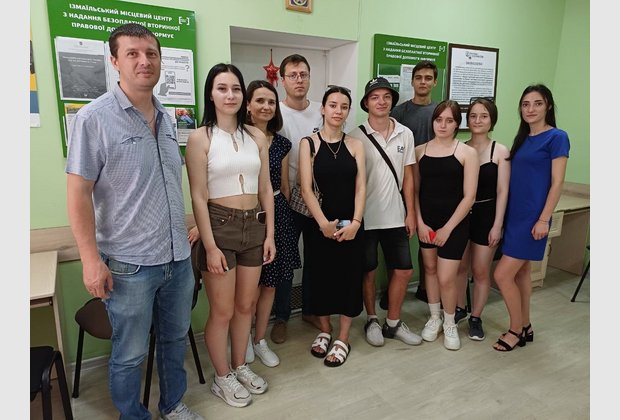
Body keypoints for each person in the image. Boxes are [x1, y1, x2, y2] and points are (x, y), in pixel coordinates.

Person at [65, 23, 203, 420]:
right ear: (114, 61)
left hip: (177, 259)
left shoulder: (168, 118)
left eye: (151, 53)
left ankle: (172, 404)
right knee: (130, 353)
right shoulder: (94, 119)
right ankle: (133, 415)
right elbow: (78, 195)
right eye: (133, 53)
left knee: (174, 340)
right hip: (129, 265)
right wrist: (90, 260)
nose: (145, 61)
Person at [185, 63, 276, 407]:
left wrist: (269, 235)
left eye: (236, 88)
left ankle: (240, 366)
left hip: (254, 225)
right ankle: (221, 377)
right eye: (222, 88)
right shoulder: (200, 138)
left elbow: (265, 189)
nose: (230, 95)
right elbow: (198, 196)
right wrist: (209, 246)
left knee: (245, 306)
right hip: (219, 226)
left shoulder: (256, 136)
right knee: (222, 311)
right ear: (210, 94)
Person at [492, 84, 569, 351]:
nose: (530, 109)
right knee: (521, 273)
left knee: (502, 275)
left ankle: (515, 330)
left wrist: (544, 219)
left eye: (537, 103)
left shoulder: (557, 137)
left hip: (533, 218)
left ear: (548, 106)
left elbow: (557, 183)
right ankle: (525, 324)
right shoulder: (523, 138)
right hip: (515, 215)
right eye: (525, 104)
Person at [348, 77, 421, 347]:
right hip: (365, 217)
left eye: (386, 97)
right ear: (366, 103)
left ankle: (393, 322)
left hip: (396, 215)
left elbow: (409, 177)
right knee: (368, 271)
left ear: (392, 101)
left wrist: (411, 212)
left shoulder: (405, 133)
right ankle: (371, 320)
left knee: (403, 270)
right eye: (375, 97)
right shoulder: (355, 136)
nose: (381, 102)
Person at [300, 86, 366, 367]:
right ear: (323, 108)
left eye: (344, 106)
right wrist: (323, 224)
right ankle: (325, 330)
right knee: (321, 278)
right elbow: (305, 189)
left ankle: (343, 337)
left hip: (351, 225)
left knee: (349, 279)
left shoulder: (356, 145)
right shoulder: (309, 143)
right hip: (320, 225)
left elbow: (361, 187)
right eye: (333, 105)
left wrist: (357, 223)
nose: (338, 111)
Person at [244, 80, 301, 367]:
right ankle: (243, 338)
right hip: (246, 213)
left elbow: (285, 186)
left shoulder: (282, 143)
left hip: (278, 213)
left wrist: (286, 217)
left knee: (270, 284)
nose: (266, 107)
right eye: (260, 101)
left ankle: (259, 339)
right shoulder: (237, 138)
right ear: (248, 105)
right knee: (249, 287)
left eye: (271, 102)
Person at [414, 100, 479, 351]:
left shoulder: (466, 153)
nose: (443, 125)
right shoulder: (420, 151)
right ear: (433, 122)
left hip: (454, 224)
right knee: (429, 270)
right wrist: (420, 222)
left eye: (449, 120)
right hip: (426, 222)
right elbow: (415, 192)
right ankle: (435, 318)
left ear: (457, 124)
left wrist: (448, 228)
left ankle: (450, 322)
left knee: (446, 277)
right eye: (439, 120)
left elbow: (469, 197)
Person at [271, 53, 324, 344]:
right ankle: (281, 316)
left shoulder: (321, 111)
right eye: (292, 75)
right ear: (282, 80)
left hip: (318, 199)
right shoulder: (276, 112)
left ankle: (311, 310)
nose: (299, 80)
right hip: (286, 199)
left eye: (303, 74)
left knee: (316, 257)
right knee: (285, 261)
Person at [454, 98, 510, 341]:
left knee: (480, 270)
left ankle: (476, 317)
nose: (477, 120)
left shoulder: (500, 151)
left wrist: (498, 225)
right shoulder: (460, 147)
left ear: (492, 120)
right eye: (473, 115)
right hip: (461, 215)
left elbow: (503, 191)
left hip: (487, 216)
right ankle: (459, 308)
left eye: (484, 116)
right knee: (459, 267)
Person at [390, 60, 440, 304]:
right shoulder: (399, 112)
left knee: (426, 237)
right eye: (418, 77)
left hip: (432, 184)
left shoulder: (440, 112)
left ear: (435, 82)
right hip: (403, 182)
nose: (423, 82)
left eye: (428, 78)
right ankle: (392, 290)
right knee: (396, 238)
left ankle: (424, 287)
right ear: (411, 81)